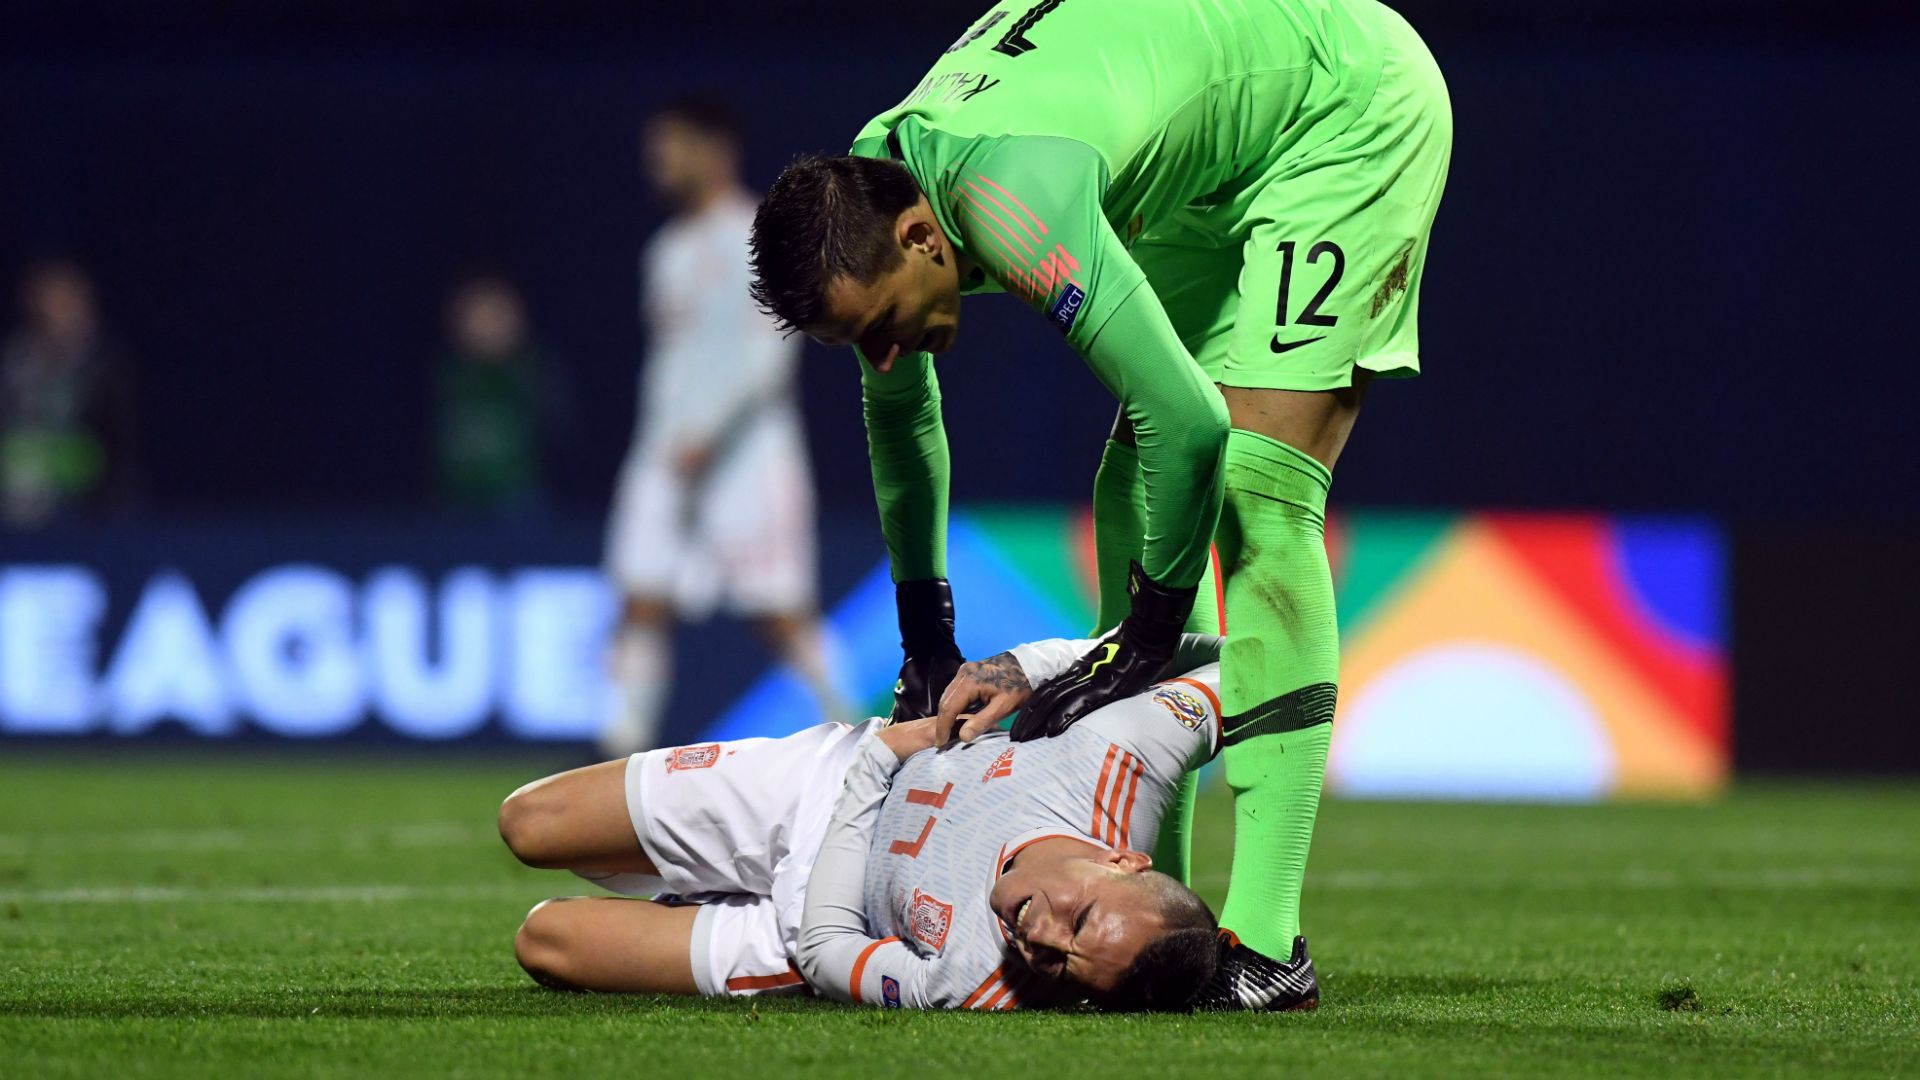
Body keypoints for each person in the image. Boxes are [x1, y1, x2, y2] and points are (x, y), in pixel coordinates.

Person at [746, 0, 1450, 1005]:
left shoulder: (1008, 199)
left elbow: (1193, 425)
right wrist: (925, 637)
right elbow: (901, 424)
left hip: (1340, 108)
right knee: (1133, 487)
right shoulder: (868, 193)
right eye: (859, 345)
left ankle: (1267, 945)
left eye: (884, 326)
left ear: (922, 237)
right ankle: (1159, 879)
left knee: (1256, 488)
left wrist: (1148, 634)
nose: (885, 357)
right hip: (1208, 169)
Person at [498, 634, 1275, 1012]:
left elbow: (827, 951)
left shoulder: (980, 982)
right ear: (1123, 859)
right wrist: (1034, 666)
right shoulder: (1123, 758)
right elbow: (1263, 663)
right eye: (1080, 919)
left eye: (1065, 969)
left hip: (808, 919)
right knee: (530, 822)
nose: (1041, 940)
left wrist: (876, 768)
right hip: (813, 783)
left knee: (547, 940)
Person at [600, 96, 842, 758]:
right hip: (663, 454)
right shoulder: (666, 248)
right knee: (640, 599)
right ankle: (620, 746)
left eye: (671, 148)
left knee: (778, 613)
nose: (658, 162)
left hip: (746, 455)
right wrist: (663, 439)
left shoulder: (757, 235)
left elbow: (773, 354)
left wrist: (709, 433)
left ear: (714, 150)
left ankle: (861, 731)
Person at [0, 258, 140, 527]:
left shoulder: (105, 364)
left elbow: (115, 446)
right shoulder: (13, 359)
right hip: (18, 494)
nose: (60, 311)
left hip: (85, 494)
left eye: (68, 301)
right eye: (51, 301)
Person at [432, 275, 567, 516]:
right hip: (459, 491)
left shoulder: (529, 369)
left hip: (514, 492)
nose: (486, 328)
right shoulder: (451, 372)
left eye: (495, 318)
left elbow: (558, 423)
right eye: (478, 318)